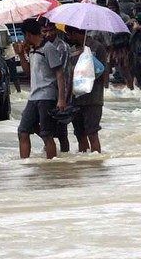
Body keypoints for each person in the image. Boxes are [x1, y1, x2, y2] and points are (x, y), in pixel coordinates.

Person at [15, 18, 67, 159]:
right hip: (33, 97)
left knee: (46, 134)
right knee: (23, 131)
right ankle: (24, 164)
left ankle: (52, 165)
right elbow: (28, 73)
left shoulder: (48, 48)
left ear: (28, 34)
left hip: (47, 96)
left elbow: (59, 73)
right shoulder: (33, 50)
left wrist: (61, 99)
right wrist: (21, 55)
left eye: (24, 35)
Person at [65, 25, 108, 153]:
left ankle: (96, 162)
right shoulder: (72, 50)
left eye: (69, 34)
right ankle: (85, 164)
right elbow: (69, 75)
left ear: (75, 33)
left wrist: (88, 59)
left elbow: (103, 73)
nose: (68, 37)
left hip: (93, 99)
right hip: (76, 99)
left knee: (92, 133)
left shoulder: (97, 47)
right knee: (80, 135)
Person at [42, 20, 72, 153]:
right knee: (47, 130)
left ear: (56, 30)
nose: (48, 34)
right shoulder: (43, 46)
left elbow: (62, 73)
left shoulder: (62, 47)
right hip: (47, 93)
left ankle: (64, 158)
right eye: (45, 31)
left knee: (62, 133)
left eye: (51, 30)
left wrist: (62, 98)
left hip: (60, 93)